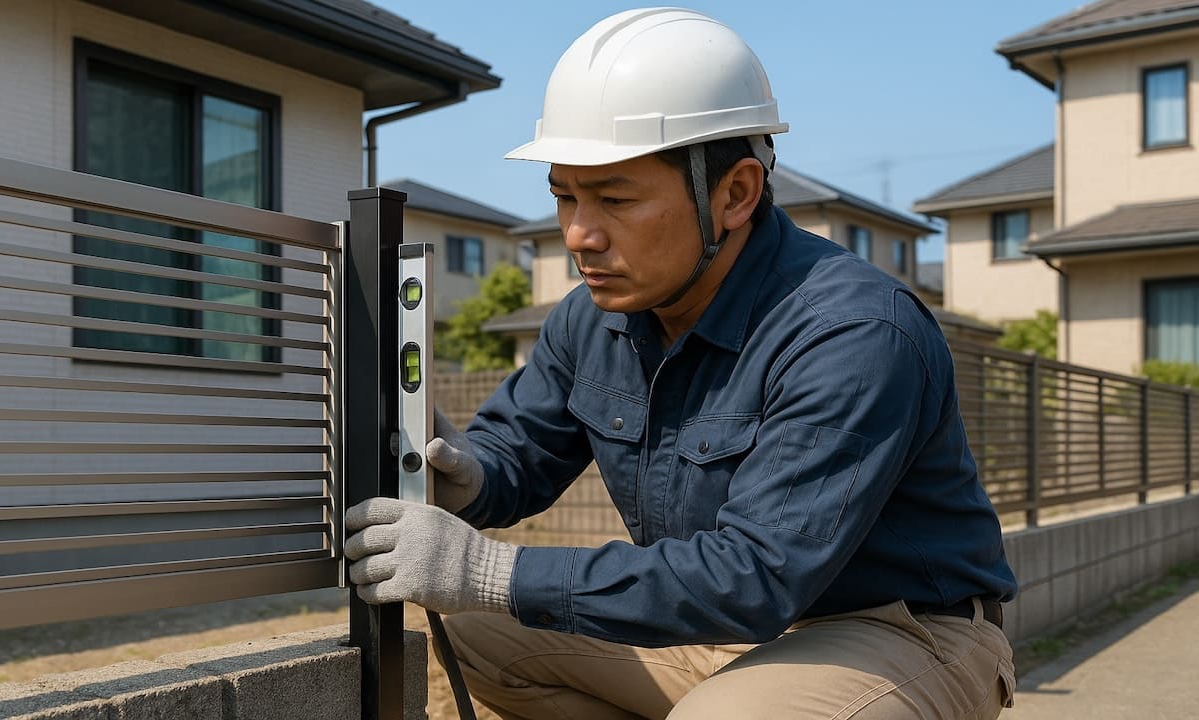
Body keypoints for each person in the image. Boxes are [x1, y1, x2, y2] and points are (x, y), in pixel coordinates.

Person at [344, 7, 1018, 719]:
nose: (578, 234)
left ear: (734, 194)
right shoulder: (593, 317)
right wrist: (465, 476)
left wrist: (483, 567)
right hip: (718, 630)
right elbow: (523, 450)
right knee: (477, 632)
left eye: (614, 198)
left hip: (898, 630)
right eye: (565, 196)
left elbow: (757, 573)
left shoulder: (850, 332)